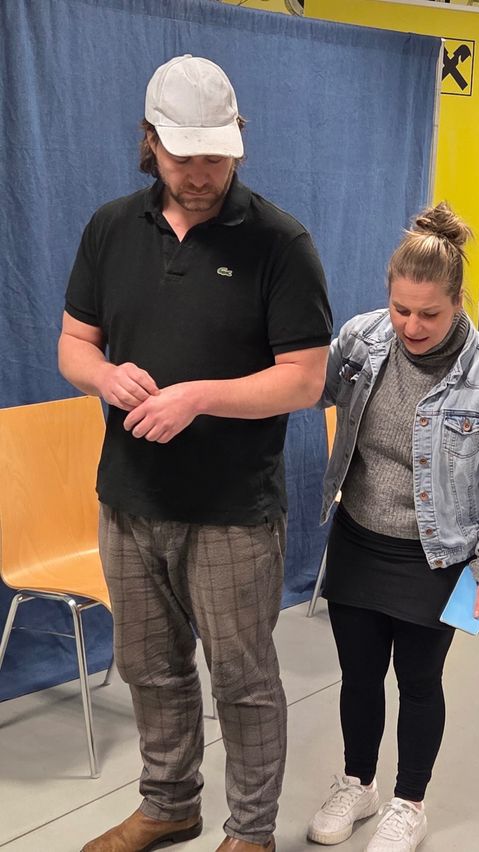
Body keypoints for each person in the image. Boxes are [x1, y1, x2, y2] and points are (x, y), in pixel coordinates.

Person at [58, 55, 332, 852]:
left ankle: (250, 832)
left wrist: (198, 396)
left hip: (231, 512)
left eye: (218, 155)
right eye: (185, 157)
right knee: (151, 668)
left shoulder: (282, 244)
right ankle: (169, 803)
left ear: (238, 141)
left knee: (244, 682)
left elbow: (305, 381)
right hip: (129, 499)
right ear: (150, 143)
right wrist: (106, 377)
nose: (203, 173)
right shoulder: (111, 229)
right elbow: (74, 345)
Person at [307, 203, 479, 851]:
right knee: (356, 674)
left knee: (419, 680)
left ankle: (409, 802)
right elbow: (306, 387)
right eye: (401, 309)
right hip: (358, 537)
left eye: (429, 313)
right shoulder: (359, 340)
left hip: (445, 558)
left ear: (458, 300)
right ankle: (358, 783)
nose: (411, 325)